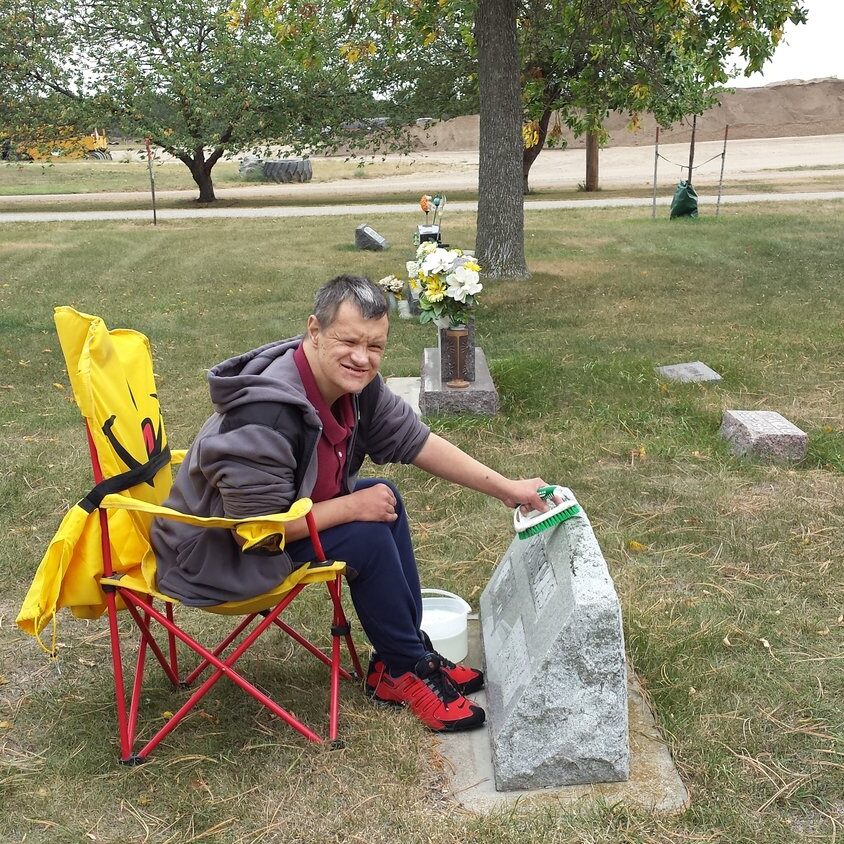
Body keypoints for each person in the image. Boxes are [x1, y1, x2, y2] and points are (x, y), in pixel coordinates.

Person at [151, 275, 552, 732]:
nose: (362, 358)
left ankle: (400, 657)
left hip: (276, 524)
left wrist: (507, 488)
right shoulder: (265, 412)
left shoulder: (358, 389)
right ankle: (405, 671)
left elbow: (419, 442)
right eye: (348, 341)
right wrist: (348, 509)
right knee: (364, 531)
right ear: (314, 332)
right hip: (217, 553)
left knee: (384, 499)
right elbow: (255, 531)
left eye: (375, 346)